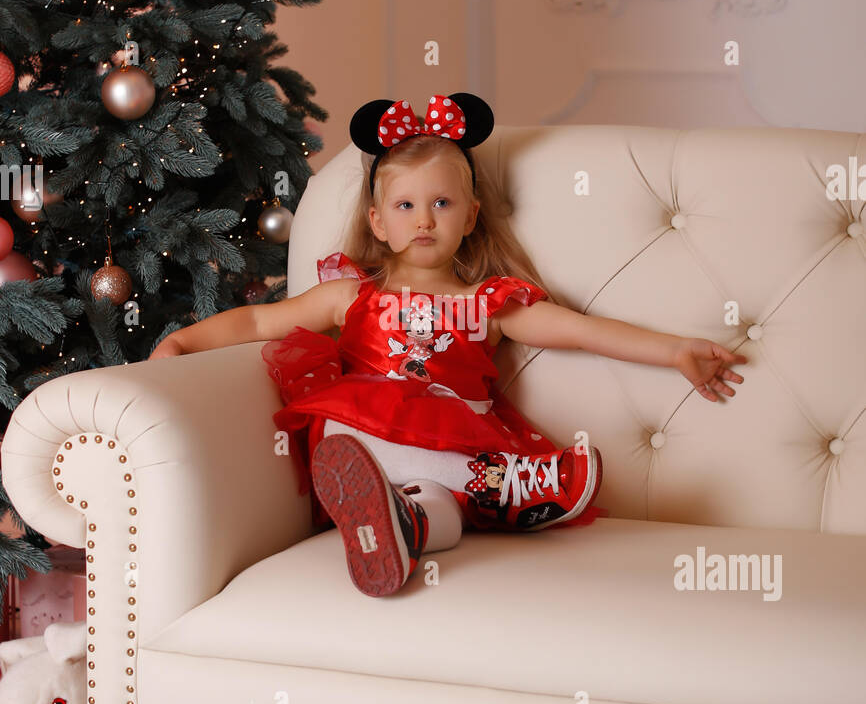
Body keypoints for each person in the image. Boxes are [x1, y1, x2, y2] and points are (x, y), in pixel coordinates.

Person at [151, 92, 747, 598]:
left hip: (449, 441)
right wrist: (182, 341)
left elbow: (578, 328)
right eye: (406, 206)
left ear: (471, 217)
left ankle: (405, 528)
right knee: (349, 431)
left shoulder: (491, 302)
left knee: (443, 507)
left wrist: (673, 351)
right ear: (379, 221)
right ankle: (498, 489)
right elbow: (260, 323)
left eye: (442, 203)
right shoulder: (350, 295)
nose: (425, 220)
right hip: (365, 430)